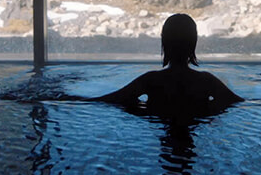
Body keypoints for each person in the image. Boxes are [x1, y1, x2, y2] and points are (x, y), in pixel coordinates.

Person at [94, 13, 243, 109]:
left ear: (164, 41)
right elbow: (237, 102)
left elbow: (113, 99)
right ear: (193, 42)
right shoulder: (206, 81)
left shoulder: (152, 80)